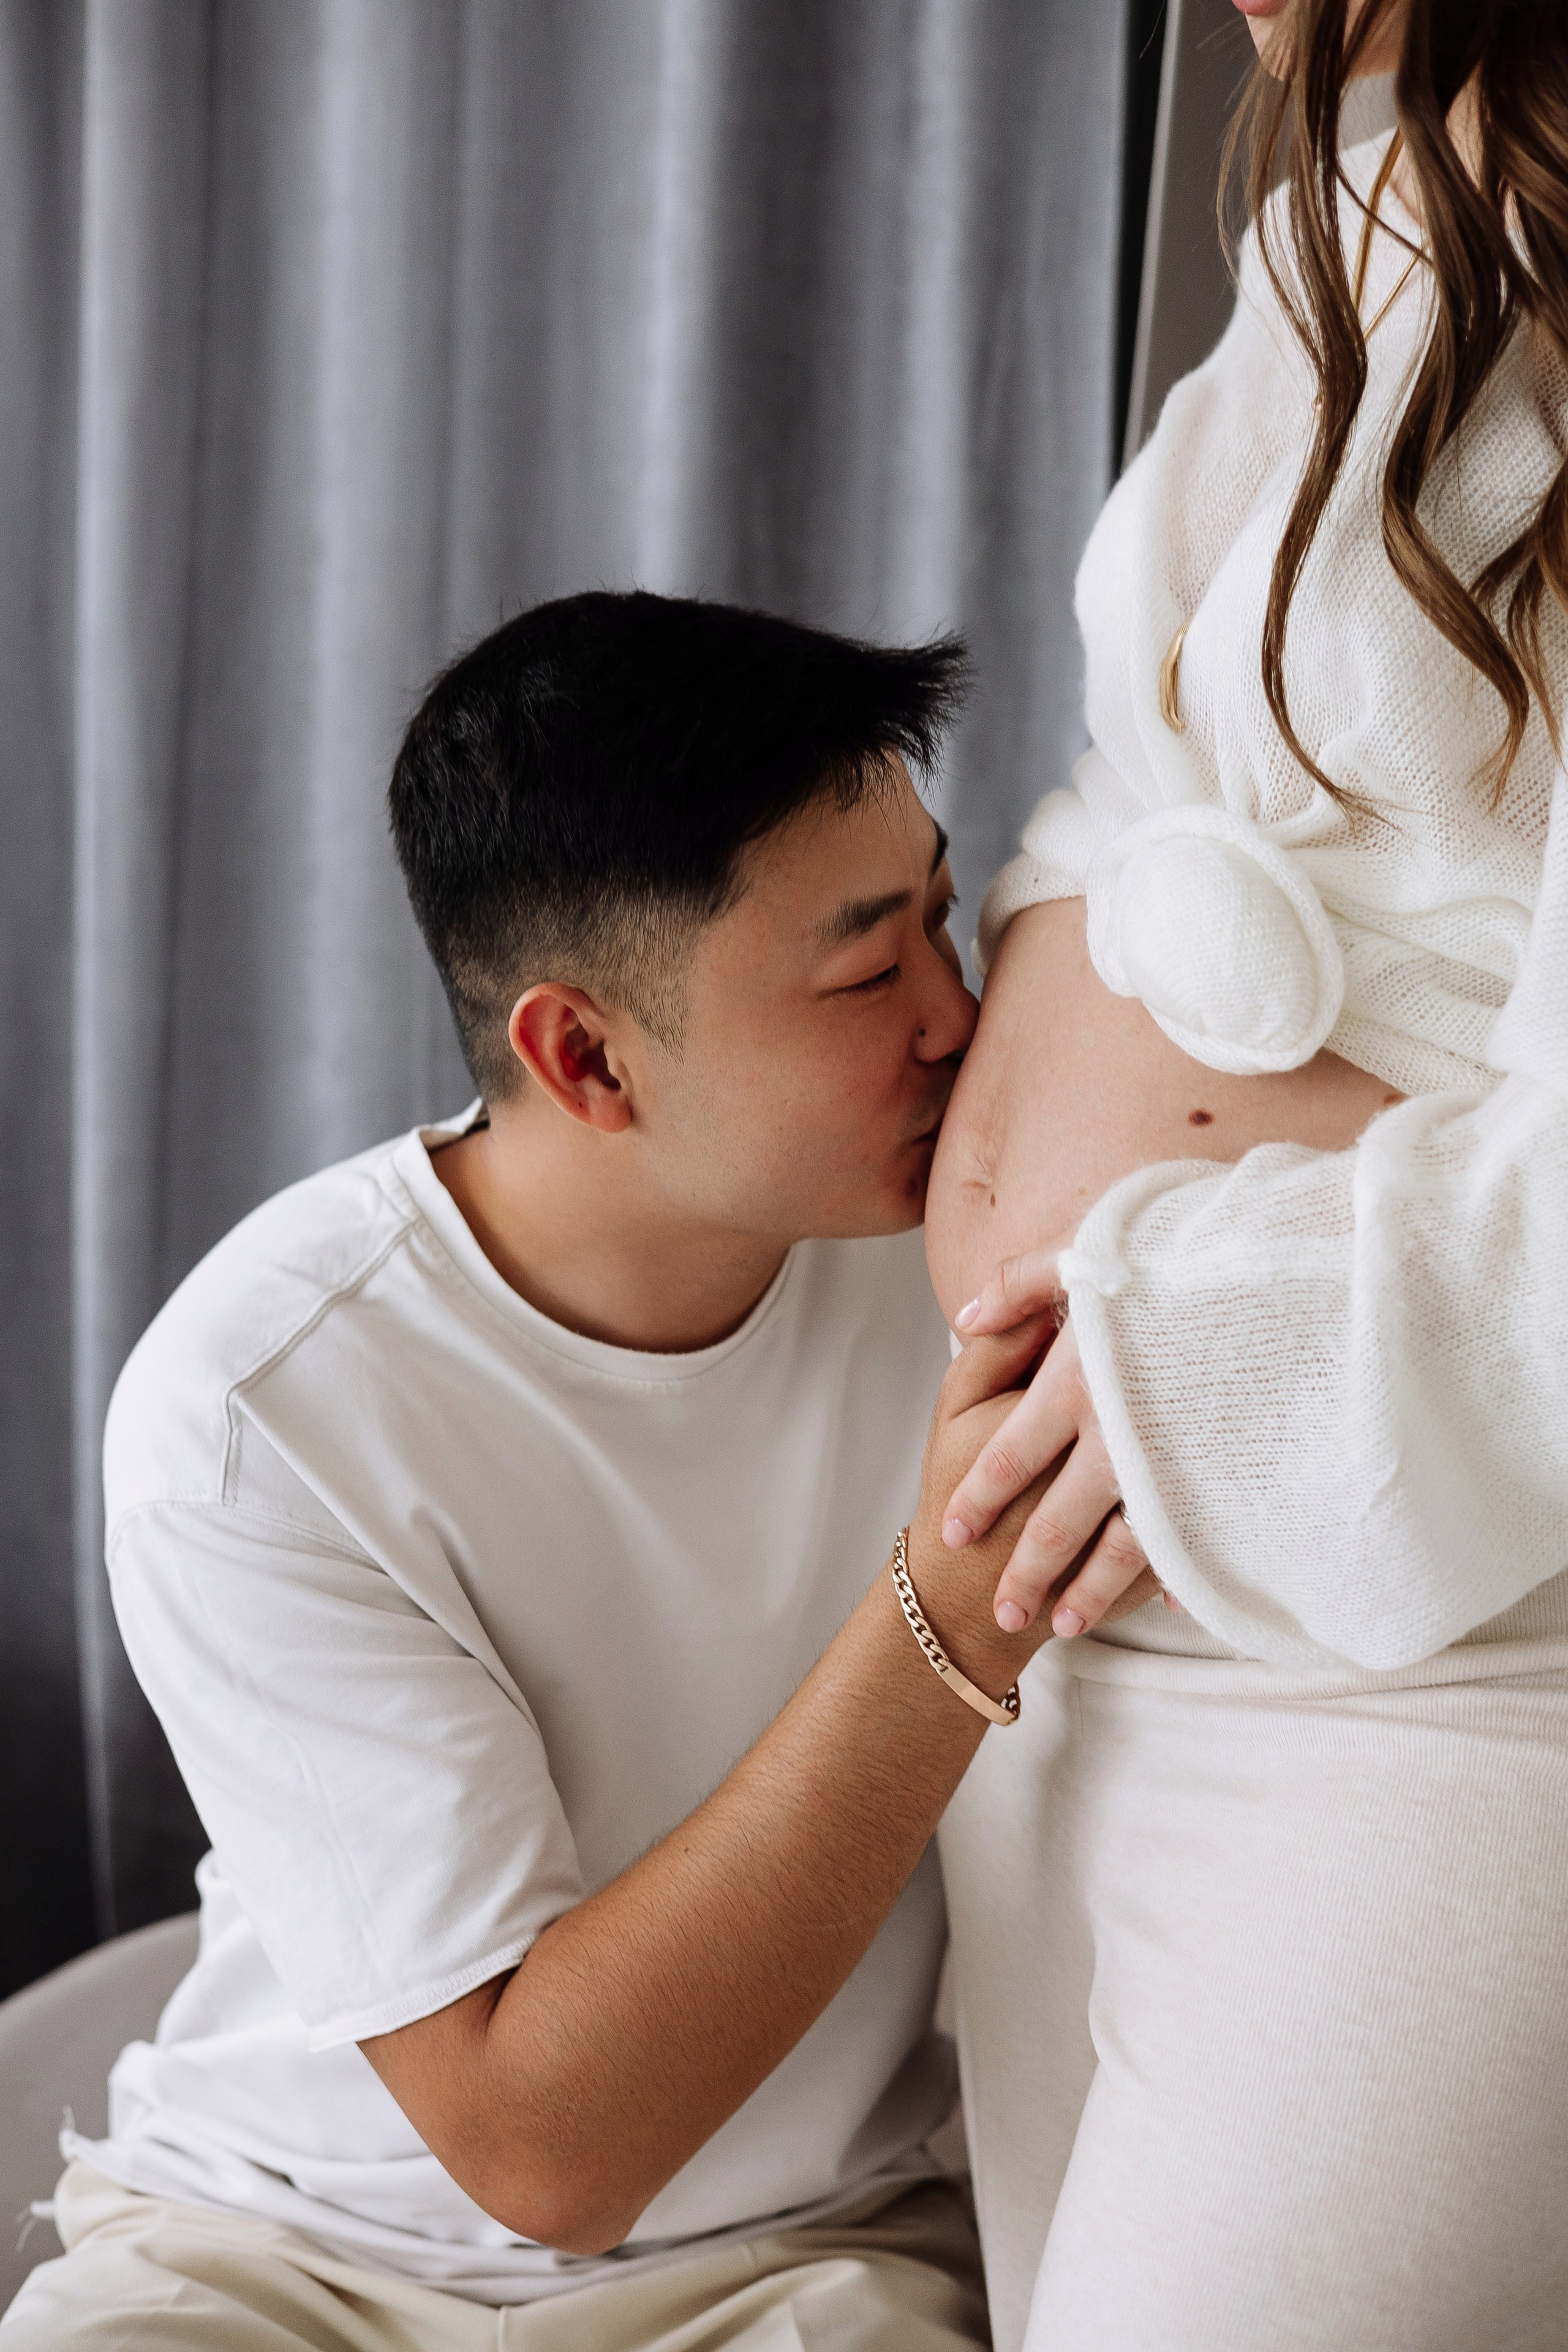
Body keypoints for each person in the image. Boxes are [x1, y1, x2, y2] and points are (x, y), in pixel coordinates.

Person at [1, 592, 1139, 2351]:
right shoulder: (254, 1413)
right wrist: (949, 1619)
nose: (956, 1013)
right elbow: (544, 2150)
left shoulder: (974, 1225)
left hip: (807, 2257)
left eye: (940, 911)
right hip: (277, 2261)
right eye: (865, 971)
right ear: (584, 1056)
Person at [919, 2, 1568, 2346]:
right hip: (1085, 1627)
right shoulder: (1347, 226)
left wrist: (1219, 1354)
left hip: (1436, 1647)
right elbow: (1165, 772)